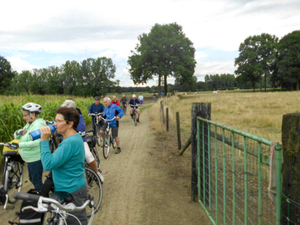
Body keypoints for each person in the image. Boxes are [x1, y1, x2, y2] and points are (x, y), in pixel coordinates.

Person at [40, 107, 88, 225]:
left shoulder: (70, 142)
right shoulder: (72, 138)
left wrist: (44, 141)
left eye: (59, 121)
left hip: (72, 191)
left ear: (70, 123)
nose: (55, 124)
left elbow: (48, 164)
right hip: (68, 188)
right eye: (54, 121)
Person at [61, 99, 104, 183]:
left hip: (80, 140)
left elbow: (81, 128)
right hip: (67, 142)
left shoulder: (79, 117)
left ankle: (97, 173)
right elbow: (59, 134)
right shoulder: (62, 119)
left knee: (88, 156)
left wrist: (67, 126)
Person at [14, 102, 46, 189]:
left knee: (37, 181)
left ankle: (43, 198)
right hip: (30, 159)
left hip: (36, 158)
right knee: (33, 179)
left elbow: (37, 142)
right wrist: (18, 132)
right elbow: (16, 135)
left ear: (33, 114)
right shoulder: (29, 124)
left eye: (25, 115)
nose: (24, 118)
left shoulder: (38, 124)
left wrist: (20, 145)